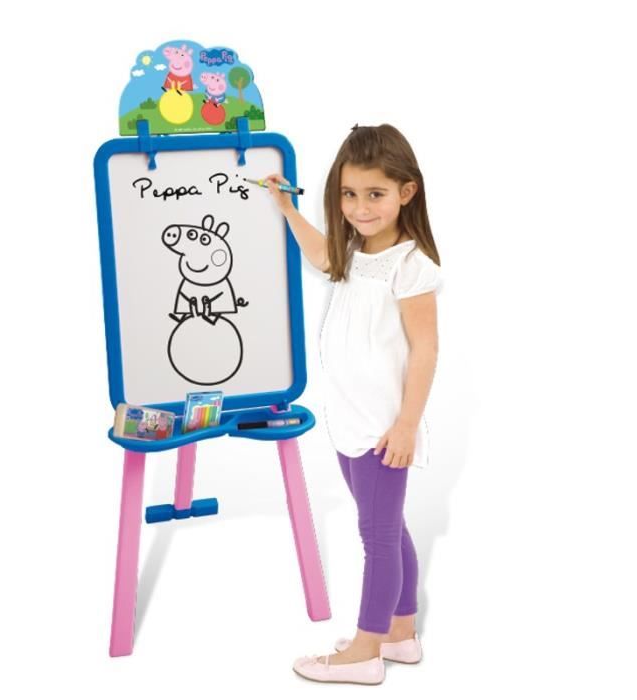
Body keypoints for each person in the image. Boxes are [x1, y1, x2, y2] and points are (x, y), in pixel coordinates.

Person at [265, 123, 443, 686]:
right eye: (349, 194)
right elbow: (321, 255)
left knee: (378, 536)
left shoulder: (410, 265)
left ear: (406, 192)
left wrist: (407, 425)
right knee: (387, 526)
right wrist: (287, 209)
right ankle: (400, 633)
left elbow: (425, 350)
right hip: (348, 419)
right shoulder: (355, 251)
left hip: (383, 427)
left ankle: (365, 650)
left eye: (375, 194)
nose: (360, 208)